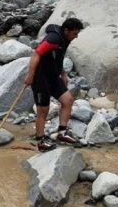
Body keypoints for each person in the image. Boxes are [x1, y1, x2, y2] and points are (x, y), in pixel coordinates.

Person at [24, 17, 84, 152]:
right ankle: (40, 141)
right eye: (75, 33)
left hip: (53, 77)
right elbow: (37, 54)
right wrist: (30, 75)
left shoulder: (65, 39)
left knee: (68, 100)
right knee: (43, 111)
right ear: (66, 30)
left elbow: (57, 57)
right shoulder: (53, 38)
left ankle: (62, 133)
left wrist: (63, 74)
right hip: (41, 78)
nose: (76, 36)